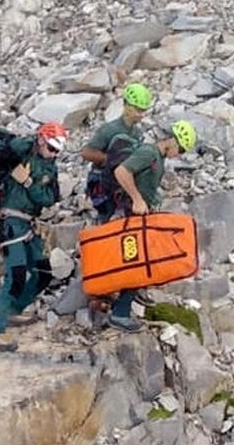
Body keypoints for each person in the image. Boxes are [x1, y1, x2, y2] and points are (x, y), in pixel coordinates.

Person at [105, 120, 198, 333]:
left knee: (140, 260)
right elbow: (122, 172)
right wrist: (137, 199)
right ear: (172, 140)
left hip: (140, 214)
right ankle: (120, 313)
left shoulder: (158, 158)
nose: (179, 154)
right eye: (181, 148)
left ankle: (127, 299)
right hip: (131, 213)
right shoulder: (148, 153)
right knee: (137, 262)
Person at [0, 122, 67, 352]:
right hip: (11, 222)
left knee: (43, 272)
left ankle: (15, 310)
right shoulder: (21, 150)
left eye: (57, 151)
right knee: (16, 275)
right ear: (41, 139)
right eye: (51, 148)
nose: (53, 154)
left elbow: (49, 198)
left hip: (29, 223)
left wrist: (29, 183)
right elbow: (4, 153)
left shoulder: (50, 167)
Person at [81, 82, 155, 308]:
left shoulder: (137, 133)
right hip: (103, 186)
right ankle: (100, 288)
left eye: (143, 110)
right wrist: (110, 160)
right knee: (106, 232)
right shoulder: (109, 130)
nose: (140, 114)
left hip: (120, 188)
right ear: (126, 105)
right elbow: (86, 152)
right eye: (137, 109)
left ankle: (123, 283)